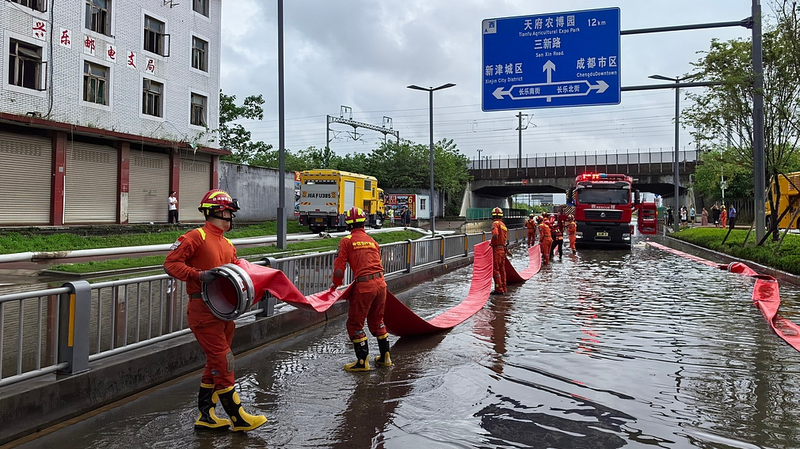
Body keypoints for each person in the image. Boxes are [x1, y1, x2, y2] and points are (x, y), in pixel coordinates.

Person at [164, 189, 267, 432]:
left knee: (214, 362)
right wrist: (198, 275)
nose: (232, 217)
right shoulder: (195, 237)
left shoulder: (228, 244)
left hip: (225, 313)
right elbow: (170, 263)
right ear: (219, 211)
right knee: (223, 359)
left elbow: (239, 276)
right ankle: (238, 417)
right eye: (230, 212)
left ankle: (206, 416)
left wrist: (262, 287)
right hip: (202, 310)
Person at [329, 207, 391, 372]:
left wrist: (335, 285)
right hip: (381, 284)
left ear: (348, 223)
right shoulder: (372, 241)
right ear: (364, 221)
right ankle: (385, 357)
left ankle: (362, 362)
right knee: (377, 322)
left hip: (365, 287)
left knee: (355, 324)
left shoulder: (346, 241)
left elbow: (339, 269)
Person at [489, 207, 508, 295]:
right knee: (502, 270)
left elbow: (495, 234)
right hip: (503, 249)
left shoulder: (495, 224)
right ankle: (504, 288)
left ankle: (498, 289)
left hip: (497, 249)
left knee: (495, 270)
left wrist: (491, 243)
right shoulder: (503, 225)